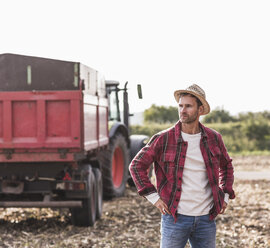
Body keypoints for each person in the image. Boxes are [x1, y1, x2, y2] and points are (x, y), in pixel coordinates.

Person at [129, 84, 235, 248]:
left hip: (206, 219)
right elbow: (136, 166)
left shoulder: (214, 138)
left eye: (188, 106)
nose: (182, 110)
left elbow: (226, 166)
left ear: (200, 110)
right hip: (175, 218)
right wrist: (154, 198)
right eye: (180, 106)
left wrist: (225, 195)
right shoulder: (163, 139)